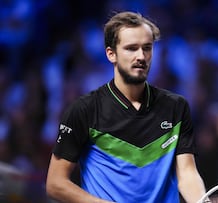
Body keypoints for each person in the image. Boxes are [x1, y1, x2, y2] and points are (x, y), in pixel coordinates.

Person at [46, 11, 207, 203]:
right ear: (111, 54)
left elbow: (187, 173)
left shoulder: (176, 107)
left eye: (147, 48)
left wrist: (203, 202)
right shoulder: (84, 110)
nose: (141, 56)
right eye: (131, 48)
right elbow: (55, 183)